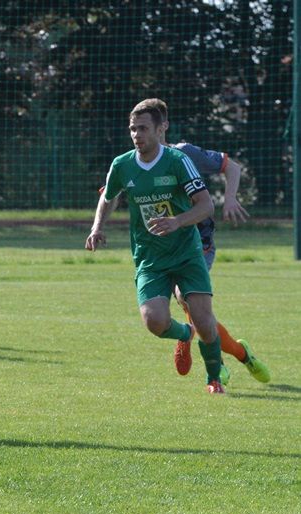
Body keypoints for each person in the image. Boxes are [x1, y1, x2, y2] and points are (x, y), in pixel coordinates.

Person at [86, 99, 226, 394]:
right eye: (133, 129)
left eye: (143, 129)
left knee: (204, 319)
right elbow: (109, 197)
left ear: (159, 130)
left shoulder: (177, 161)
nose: (137, 135)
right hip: (150, 256)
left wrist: (178, 221)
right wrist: (97, 227)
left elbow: (206, 206)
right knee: (154, 321)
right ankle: (184, 334)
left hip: (187, 254)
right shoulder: (122, 165)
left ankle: (214, 378)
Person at [144, 98, 270, 385]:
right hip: (162, 248)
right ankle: (234, 352)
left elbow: (232, 166)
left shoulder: (185, 153)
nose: (143, 135)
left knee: (184, 297)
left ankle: (221, 363)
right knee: (188, 310)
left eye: (149, 127)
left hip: (198, 242)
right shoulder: (137, 161)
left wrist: (230, 199)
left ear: (163, 127)